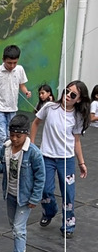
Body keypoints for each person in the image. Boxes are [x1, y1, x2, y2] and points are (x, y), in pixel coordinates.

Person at [30, 80, 90, 238]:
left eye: (73, 95)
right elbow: (35, 123)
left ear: (79, 99)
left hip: (66, 159)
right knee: (45, 189)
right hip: (46, 157)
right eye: (66, 91)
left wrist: (81, 162)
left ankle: (68, 224)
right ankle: (49, 211)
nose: (68, 95)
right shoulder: (50, 107)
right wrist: (32, 145)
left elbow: (76, 140)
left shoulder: (77, 116)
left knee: (68, 193)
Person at [0, 114, 45, 252]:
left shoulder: (33, 153)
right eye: (12, 135)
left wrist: (35, 198)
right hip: (10, 194)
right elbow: (1, 166)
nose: (14, 139)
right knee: (14, 226)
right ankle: (21, 248)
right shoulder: (6, 148)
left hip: (25, 197)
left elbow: (40, 177)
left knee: (18, 229)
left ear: (26, 134)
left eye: (18, 136)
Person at [0, 44, 31, 153]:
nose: (12, 65)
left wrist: (26, 92)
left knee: (11, 134)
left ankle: (9, 154)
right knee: (1, 135)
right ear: (3, 59)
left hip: (12, 107)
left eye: (15, 62)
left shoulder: (19, 69)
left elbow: (22, 85)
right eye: (9, 63)